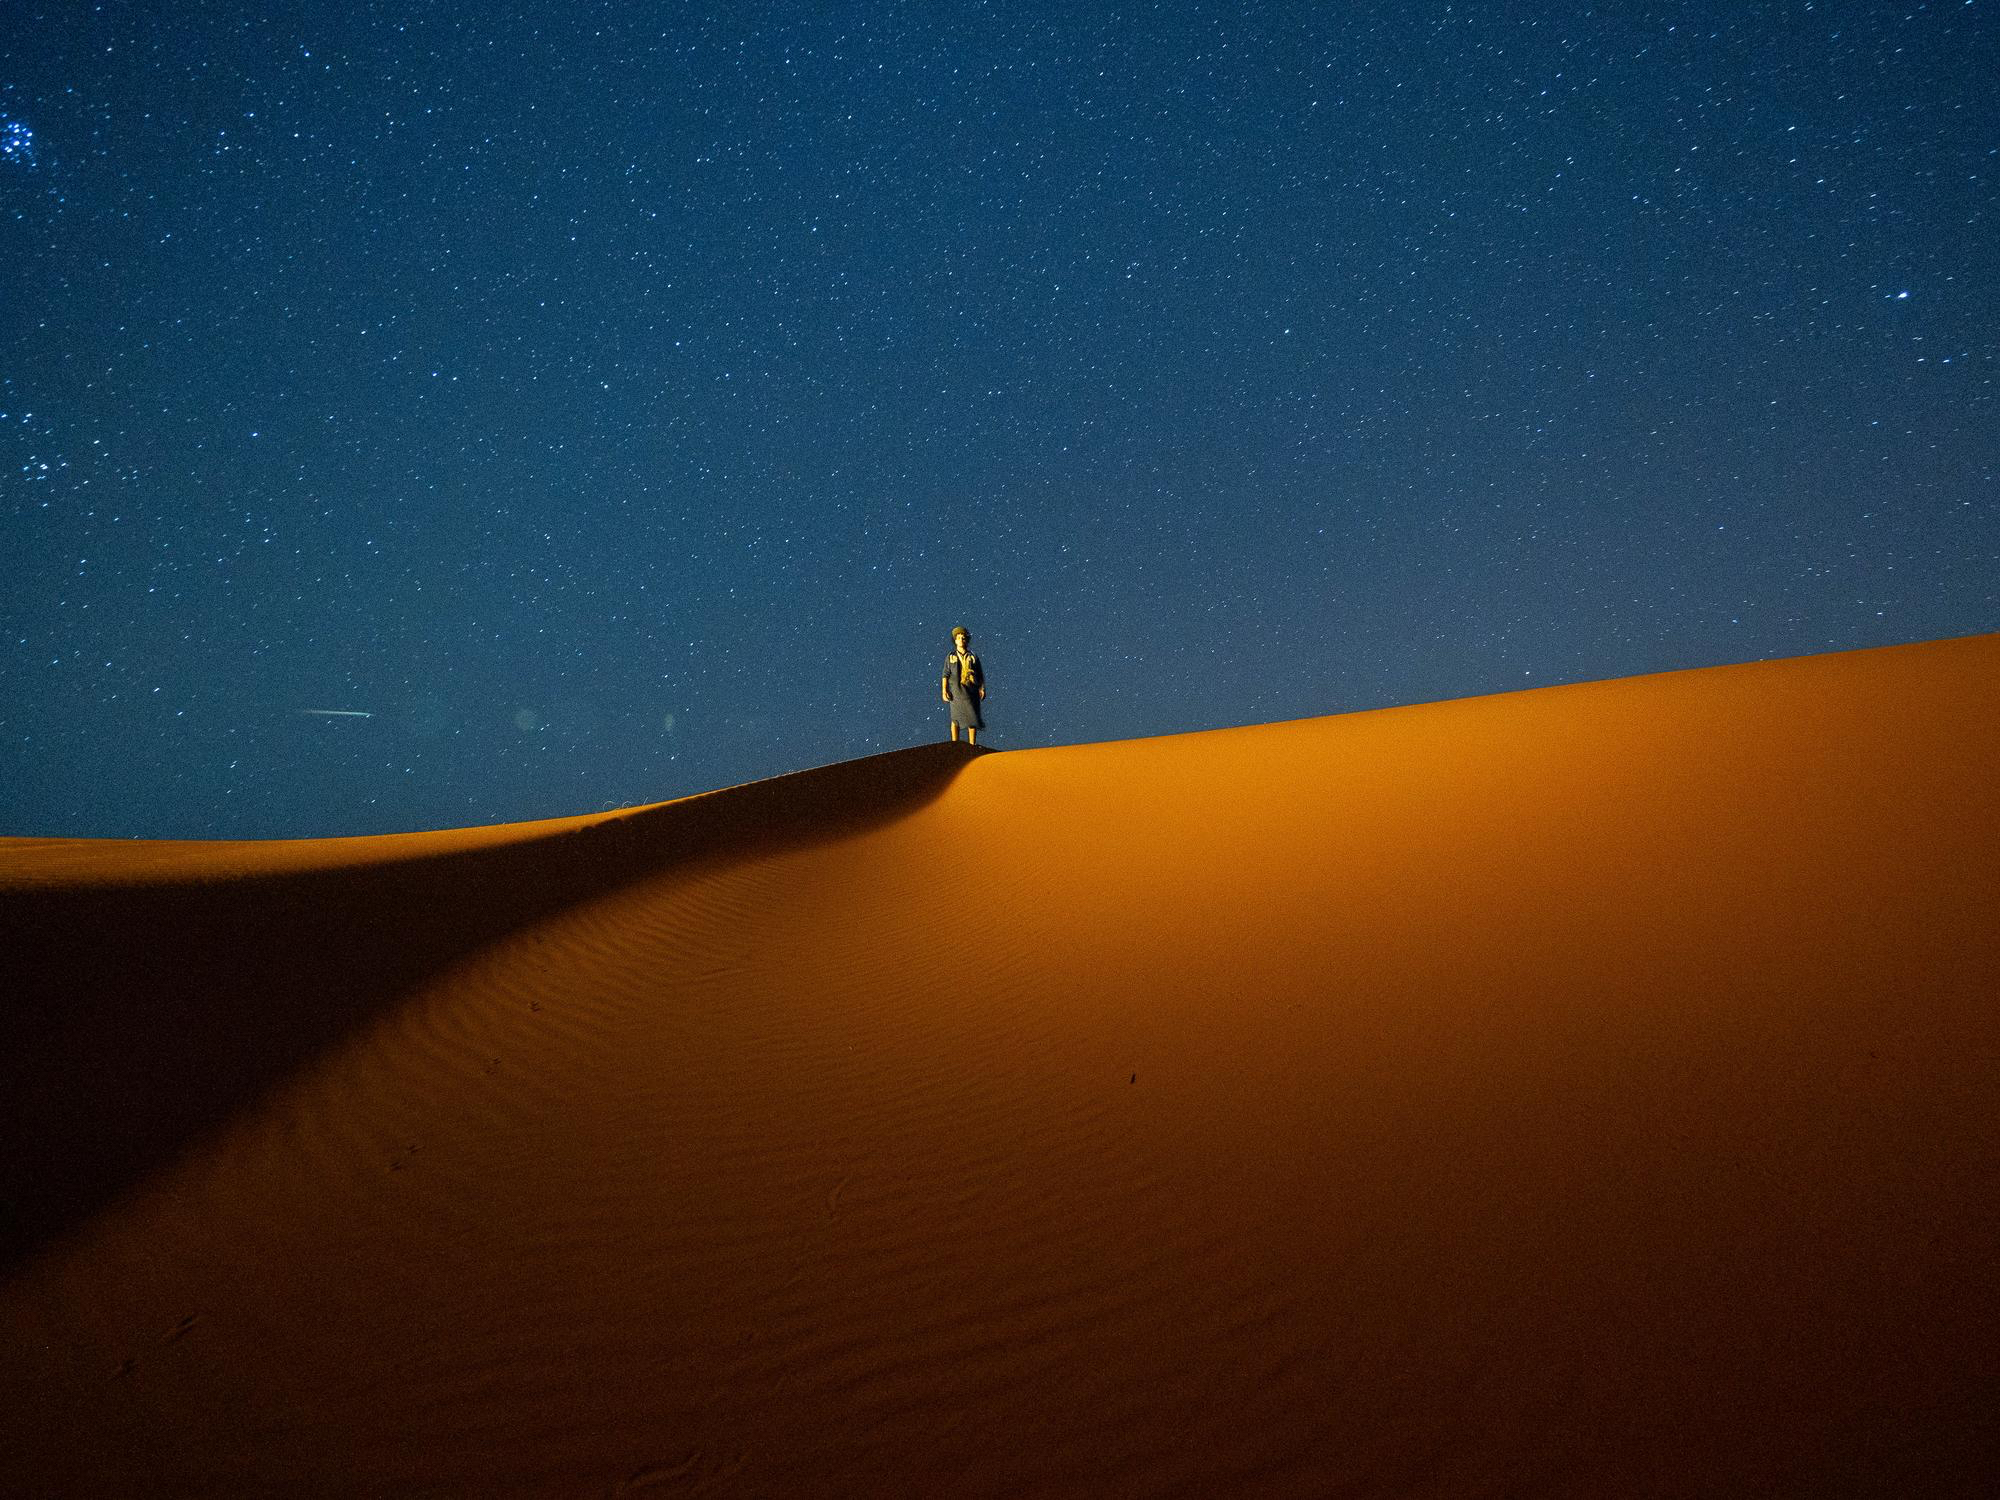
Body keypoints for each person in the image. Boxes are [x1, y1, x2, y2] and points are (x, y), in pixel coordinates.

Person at [941, 626, 986, 745]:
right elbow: (945, 674)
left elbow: (980, 674)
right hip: (956, 692)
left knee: (972, 718)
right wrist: (944, 691)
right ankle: (954, 744)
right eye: (959, 638)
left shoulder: (973, 656)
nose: (961, 640)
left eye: (963, 638)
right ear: (955, 640)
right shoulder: (950, 656)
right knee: (955, 718)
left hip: (971, 691)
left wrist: (982, 688)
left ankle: (972, 745)